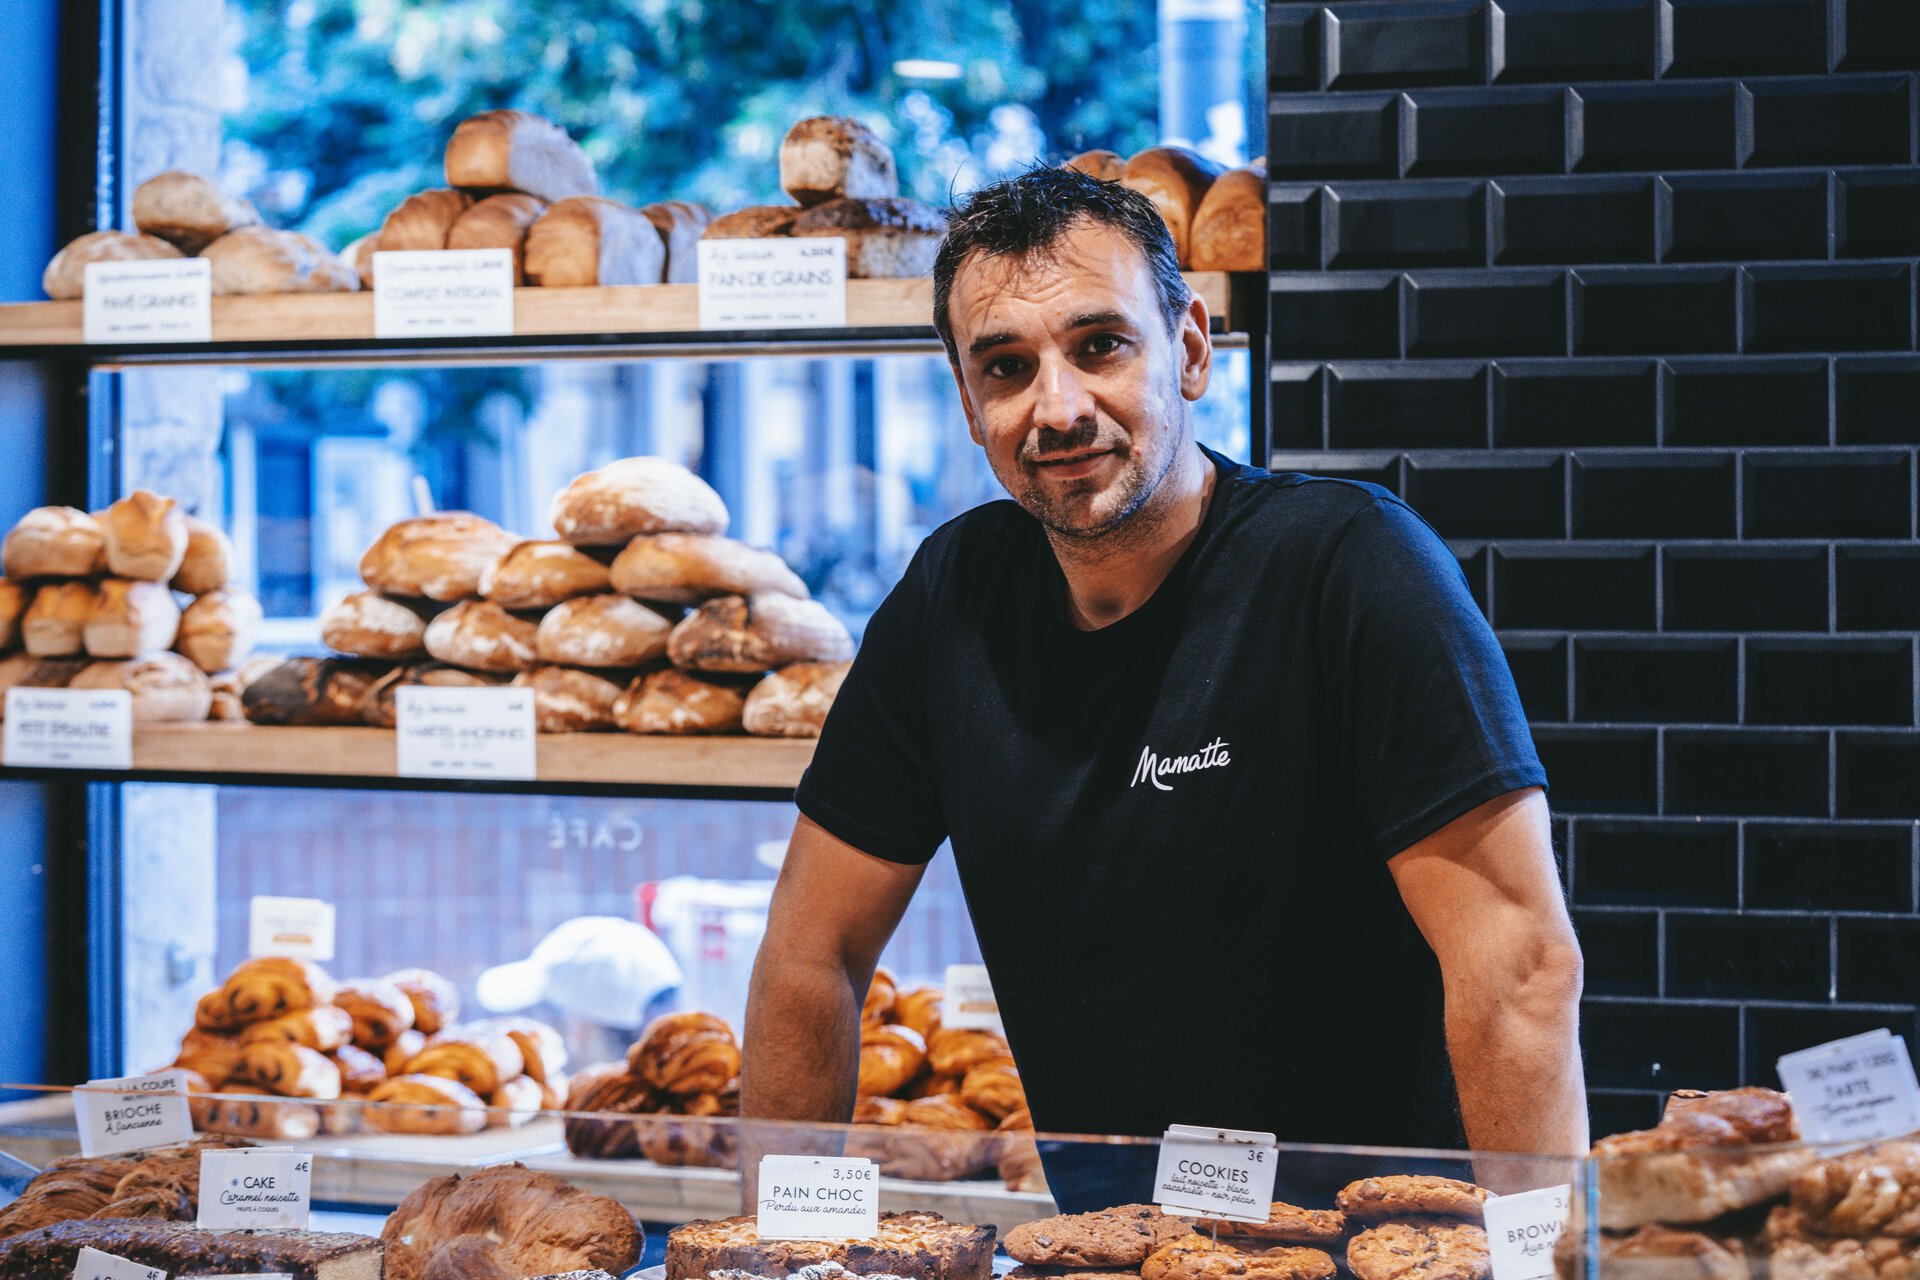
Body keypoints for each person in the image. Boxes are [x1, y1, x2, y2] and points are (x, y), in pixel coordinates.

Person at [740, 166, 1586, 1200]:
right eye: (1006, 367)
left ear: (1188, 352)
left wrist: (1535, 1261)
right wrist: (765, 1247)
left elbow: (1520, 962)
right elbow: (807, 954)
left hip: (1374, 1249)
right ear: (968, 401)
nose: (1057, 407)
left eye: (1100, 346)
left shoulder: (1350, 567)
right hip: (1114, 1248)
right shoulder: (950, 598)